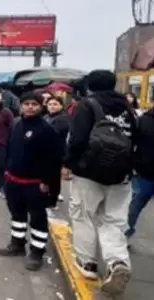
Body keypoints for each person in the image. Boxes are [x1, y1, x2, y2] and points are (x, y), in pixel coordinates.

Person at [63, 70, 138, 296]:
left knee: (83, 214)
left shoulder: (87, 105)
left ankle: (87, 263)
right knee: (114, 220)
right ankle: (117, 262)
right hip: (121, 175)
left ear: (90, 86)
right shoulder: (128, 109)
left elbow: (77, 139)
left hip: (89, 172)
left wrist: (68, 163)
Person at [0, 91, 62, 271]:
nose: (30, 107)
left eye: (34, 104)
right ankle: (17, 244)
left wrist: (47, 182)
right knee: (17, 215)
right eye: (27, 104)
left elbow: (54, 159)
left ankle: (36, 252)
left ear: (41, 106)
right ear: (21, 106)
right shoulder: (16, 123)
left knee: (37, 219)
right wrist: (6, 172)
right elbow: (9, 148)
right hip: (13, 180)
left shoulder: (46, 129)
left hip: (35, 183)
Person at [125, 107, 154, 240]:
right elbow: (131, 143)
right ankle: (125, 234)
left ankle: (125, 233)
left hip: (143, 171)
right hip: (144, 172)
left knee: (134, 205)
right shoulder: (143, 120)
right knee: (134, 207)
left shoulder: (143, 120)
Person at [44, 96, 71, 202]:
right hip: (45, 151)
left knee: (54, 177)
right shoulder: (46, 117)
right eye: (50, 104)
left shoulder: (63, 118)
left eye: (55, 104)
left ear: (61, 106)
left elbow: (54, 133)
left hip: (57, 152)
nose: (52, 106)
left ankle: (52, 200)